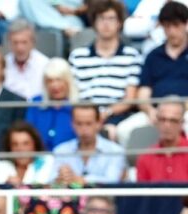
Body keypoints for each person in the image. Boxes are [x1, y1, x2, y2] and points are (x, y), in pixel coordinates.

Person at [116, 1, 188, 145]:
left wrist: (177, 111)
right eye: (167, 26)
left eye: (176, 25)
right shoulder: (153, 56)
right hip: (156, 111)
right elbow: (143, 93)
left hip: (186, 111)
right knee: (123, 131)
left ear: (185, 24)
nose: (172, 31)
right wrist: (150, 110)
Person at [68, 0, 141, 139]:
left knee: (109, 132)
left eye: (111, 18)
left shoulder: (132, 56)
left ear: (119, 23)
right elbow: (73, 94)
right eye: (101, 18)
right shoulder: (77, 56)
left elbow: (130, 98)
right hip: (83, 115)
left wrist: (106, 112)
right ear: (94, 23)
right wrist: (89, 115)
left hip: (117, 116)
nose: (106, 24)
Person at [51, 105, 126, 185]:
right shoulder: (60, 151)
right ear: (72, 124)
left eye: (88, 123)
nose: (84, 129)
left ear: (99, 123)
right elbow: (50, 180)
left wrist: (81, 180)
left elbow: (113, 181)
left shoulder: (116, 151)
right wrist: (59, 179)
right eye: (79, 123)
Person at [25, 58, 77, 151]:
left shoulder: (78, 107)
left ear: (68, 81)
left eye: (59, 80)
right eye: (50, 81)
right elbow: (28, 135)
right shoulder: (36, 104)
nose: (54, 85)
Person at [136, 99, 188, 182]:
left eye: (173, 120)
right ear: (156, 121)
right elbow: (142, 189)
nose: (167, 125)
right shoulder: (145, 157)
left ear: (182, 123)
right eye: (162, 119)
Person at [0, 121, 55, 185]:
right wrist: (6, 184)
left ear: (35, 145)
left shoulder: (47, 162)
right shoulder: (2, 167)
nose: (20, 149)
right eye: (15, 144)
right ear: (9, 147)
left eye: (25, 144)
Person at [3, 18, 49, 102]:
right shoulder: (2, 65)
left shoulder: (45, 65)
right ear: (9, 43)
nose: (19, 48)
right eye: (15, 43)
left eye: (24, 42)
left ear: (33, 43)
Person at [17, 0, 86, 38]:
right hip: (45, 15)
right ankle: (63, 27)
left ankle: (63, 27)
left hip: (73, 18)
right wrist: (56, 5)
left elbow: (89, 5)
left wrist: (75, 11)